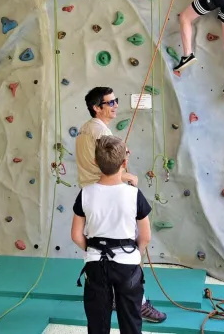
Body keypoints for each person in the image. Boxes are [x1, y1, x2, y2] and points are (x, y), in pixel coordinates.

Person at [75, 87, 167, 324]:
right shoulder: (98, 131)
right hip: (108, 194)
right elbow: (106, 166)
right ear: (97, 107)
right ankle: (140, 302)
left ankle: (119, 297)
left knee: (103, 254)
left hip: (95, 196)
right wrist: (126, 178)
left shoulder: (89, 129)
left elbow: (99, 164)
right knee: (126, 250)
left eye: (116, 100)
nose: (116, 105)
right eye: (110, 102)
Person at [72, 135, 152, 334]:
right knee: (131, 322)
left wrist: (91, 249)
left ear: (95, 162)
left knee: (97, 323)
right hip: (128, 266)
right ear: (125, 163)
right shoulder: (134, 195)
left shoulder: (85, 193)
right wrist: (136, 253)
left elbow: (76, 234)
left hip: (96, 265)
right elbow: (145, 236)